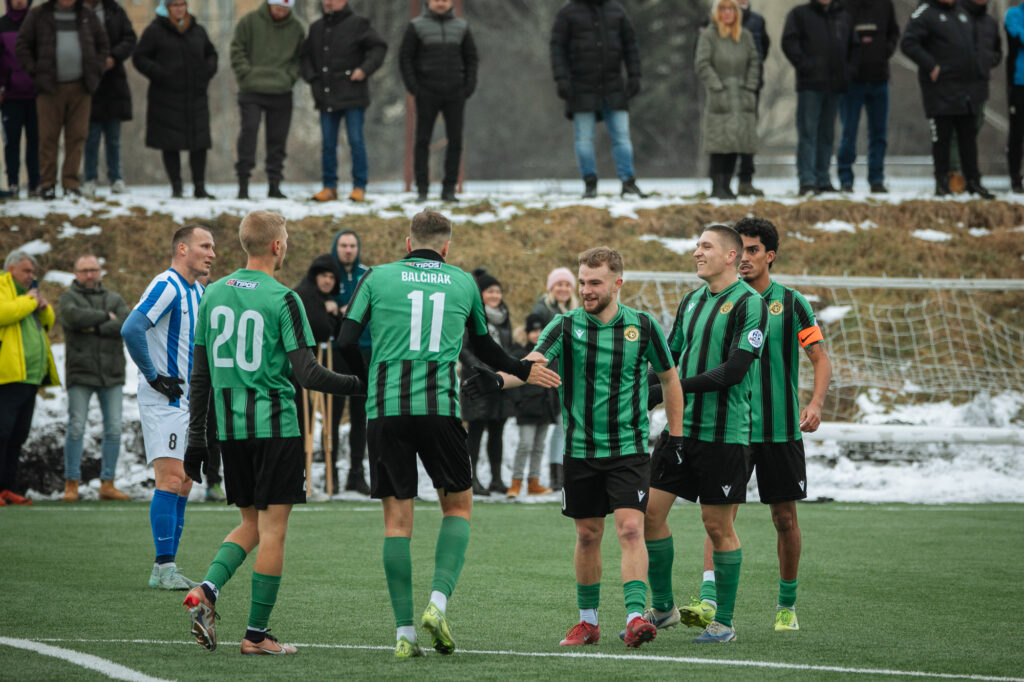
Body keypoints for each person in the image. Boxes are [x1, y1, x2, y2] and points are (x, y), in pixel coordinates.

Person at [336, 210, 560, 658]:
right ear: (446, 246)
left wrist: (367, 382)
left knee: (397, 523)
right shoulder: (462, 283)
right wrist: (523, 369)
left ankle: (404, 634)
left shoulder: (376, 277)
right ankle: (437, 604)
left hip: (386, 411)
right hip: (440, 409)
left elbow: (344, 342)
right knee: (457, 506)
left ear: (407, 242)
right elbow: (484, 346)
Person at [182, 210, 363, 656]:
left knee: (250, 524)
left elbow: (200, 375)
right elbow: (308, 372)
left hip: (230, 431)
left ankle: (206, 589)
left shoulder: (212, 294)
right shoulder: (285, 299)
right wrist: (359, 385)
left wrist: (197, 438)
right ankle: (257, 635)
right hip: (276, 428)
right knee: (274, 530)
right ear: (278, 246)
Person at [503, 247, 682, 649]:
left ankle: (636, 617)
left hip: (629, 450)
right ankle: (588, 623)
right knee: (587, 535)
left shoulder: (643, 326)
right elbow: (529, 363)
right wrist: (496, 380)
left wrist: (678, 433)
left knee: (632, 528)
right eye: (582, 281)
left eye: (594, 282)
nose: (586, 290)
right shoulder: (564, 326)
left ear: (617, 283)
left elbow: (671, 379)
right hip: (581, 451)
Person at [678, 217, 832, 634]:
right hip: (732, 427)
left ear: (769, 256)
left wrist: (815, 403)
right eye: (740, 249)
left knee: (784, 518)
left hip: (779, 429)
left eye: (752, 250)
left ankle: (786, 603)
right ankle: (709, 601)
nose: (744, 258)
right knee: (719, 516)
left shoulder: (791, 303)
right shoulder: (717, 300)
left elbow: (820, 357)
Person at [642, 224, 767, 644]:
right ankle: (663, 609)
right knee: (649, 515)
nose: (697, 252)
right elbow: (668, 360)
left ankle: (724, 623)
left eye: (706, 246)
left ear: (731, 255)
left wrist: (668, 390)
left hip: (725, 435)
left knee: (717, 525)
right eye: (696, 245)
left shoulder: (751, 304)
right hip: (679, 432)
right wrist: (643, 389)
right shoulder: (692, 301)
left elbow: (734, 372)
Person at [121, 225, 214, 590]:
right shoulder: (167, 285)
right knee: (172, 479)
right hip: (165, 399)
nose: (212, 253)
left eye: (212, 247)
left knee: (186, 480)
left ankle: (168, 567)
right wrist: (153, 375)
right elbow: (132, 328)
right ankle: (162, 567)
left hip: (189, 401)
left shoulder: (199, 291)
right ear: (182, 249)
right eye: (204, 246)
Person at [550, 0, 647, 199]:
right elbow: (557, 47)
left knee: (621, 135)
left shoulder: (617, 11)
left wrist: (635, 75)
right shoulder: (567, 13)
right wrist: (561, 79)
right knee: (584, 138)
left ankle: (628, 182)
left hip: (613, 86)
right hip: (580, 86)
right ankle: (590, 183)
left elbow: (630, 46)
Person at [15, 0, 108, 200]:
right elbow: (22, 45)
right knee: (48, 138)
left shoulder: (87, 15)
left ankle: (71, 183)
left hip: (81, 88)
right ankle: (47, 184)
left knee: (77, 136)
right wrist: (36, 71)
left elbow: (103, 44)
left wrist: (96, 70)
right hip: (49, 88)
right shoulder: (39, 14)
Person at [56, 254, 130, 502]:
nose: (90, 274)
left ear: (100, 272)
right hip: (81, 373)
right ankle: (71, 484)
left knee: (114, 429)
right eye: (85, 270)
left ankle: (107, 484)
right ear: (75, 273)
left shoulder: (114, 298)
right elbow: (72, 317)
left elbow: (125, 323)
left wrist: (93, 327)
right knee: (76, 427)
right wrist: (104, 317)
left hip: (112, 374)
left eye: (94, 270)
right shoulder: (68, 297)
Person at [901, 0, 993, 198]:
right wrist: (931, 65)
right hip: (940, 90)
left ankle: (973, 181)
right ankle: (942, 183)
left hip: (966, 90)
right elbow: (908, 43)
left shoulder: (961, 13)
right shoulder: (925, 13)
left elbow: (975, 47)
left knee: (968, 138)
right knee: (942, 139)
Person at [302, 0, 387, 203]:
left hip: (353, 95)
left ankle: (359, 187)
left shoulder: (358, 24)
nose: (328, 2)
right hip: (326, 96)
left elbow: (379, 48)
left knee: (356, 141)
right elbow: (305, 58)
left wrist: (364, 69)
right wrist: (313, 79)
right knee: (328, 144)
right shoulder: (316, 28)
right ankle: (329, 186)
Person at [132, 0, 217, 199]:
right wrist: (160, 74)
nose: (179, 9)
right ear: (166, 8)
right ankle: (176, 187)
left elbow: (211, 53)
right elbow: (140, 58)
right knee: (170, 143)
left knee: (199, 142)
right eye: (174, 5)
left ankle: (199, 186)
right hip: (166, 98)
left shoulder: (198, 31)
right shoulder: (154, 31)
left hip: (195, 96)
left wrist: (207, 71)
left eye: (182, 4)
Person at [399, 0, 478, 203]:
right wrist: (414, 88)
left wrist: (467, 87)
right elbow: (405, 58)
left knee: (456, 141)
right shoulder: (416, 26)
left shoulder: (462, 27)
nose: (440, 3)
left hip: (455, 93)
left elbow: (471, 58)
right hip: (426, 92)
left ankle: (449, 189)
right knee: (422, 140)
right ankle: (422, 189)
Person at [0, 249, 59, 506]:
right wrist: (30, 302)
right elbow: (3, 313)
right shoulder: (3, 286)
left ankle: (8, 488)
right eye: (26, 271)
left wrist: (43, 307)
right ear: (10, 268)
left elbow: (48, 322)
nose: (30, 276)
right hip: (7, 377)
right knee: (1, 433)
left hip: (30, 378)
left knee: (18, 434)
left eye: (33, 272)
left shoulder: (28, 295)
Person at [230, 0, 305, 200]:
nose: (280, 12)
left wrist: (289, 77)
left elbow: (300, 58)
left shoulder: (297, 28)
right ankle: (243, 184)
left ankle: (274, 184)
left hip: (282, 90)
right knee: (249, 133)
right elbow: (237, 50)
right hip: (251, 90)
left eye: (284, 9)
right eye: (277, 8)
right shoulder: (249, 22)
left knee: (277, 139)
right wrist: (246, 75)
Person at [781, 0, 854, 195]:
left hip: (835, 85)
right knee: (808, 133)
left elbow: (853, 48)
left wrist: (847, 71)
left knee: (827, 134)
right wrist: (806, 66)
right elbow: (789, 42)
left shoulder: (843, 16)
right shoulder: (799, 14)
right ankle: (807, 181)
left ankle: (823, 179)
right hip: (810, 85)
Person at [695, 0, 761, 200]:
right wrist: (716, 86)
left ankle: (728, 185)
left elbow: (754, 62)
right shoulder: (709, 36)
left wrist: (749, 86)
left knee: (736, 142)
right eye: (722, 9)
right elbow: (702, 64)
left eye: (731, 8)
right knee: (719, 142)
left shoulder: (745, 36)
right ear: (717, 12)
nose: (727, 13)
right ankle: (717, 185)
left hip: (742, 96)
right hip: (720, 94)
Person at [290, 252, 343, 492]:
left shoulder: (321, 297)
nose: (327, 281)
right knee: (303, 417)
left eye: (332, 277)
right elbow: (319, 328)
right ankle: (300, 474)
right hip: (298, 367)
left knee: (314, 417)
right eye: (323, 275)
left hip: (313, 364)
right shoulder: (306, 295)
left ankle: (323, 477)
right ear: (315, 276)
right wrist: (329, 311)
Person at [836, 0, 899, 194]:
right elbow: (838, 37)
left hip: (879, 79)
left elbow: (893, 33)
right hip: (852, 82)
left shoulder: (885, 4)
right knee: (849, 132)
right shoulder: (843, 5)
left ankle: (876, 179)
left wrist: (883, 52)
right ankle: (846, 179)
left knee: (879, 134)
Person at [459, 268, 512, 496]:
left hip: (499, 381)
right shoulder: (471, 313)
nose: (495, 296)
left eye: (498, 291)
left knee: (497, 431)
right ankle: (472, 478)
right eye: (490, 291)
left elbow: (506, 348)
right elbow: (462, 348)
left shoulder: (504, 316)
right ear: (481, 294)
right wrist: (480, 370)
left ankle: (497, 478)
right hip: (477, 381)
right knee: (476, 431)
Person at [80, 0, 135, 199]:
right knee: (90, 136)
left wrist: (114, 57)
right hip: (87, 82)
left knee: (113, 137)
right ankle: (90, 179)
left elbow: (130, 38)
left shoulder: (115, 10)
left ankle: (116, 178)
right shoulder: (77, 11)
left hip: (114, 83)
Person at [530, 266, 577, 492]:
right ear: (551, 287)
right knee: (555, 428)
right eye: (559, 284)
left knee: (564, 427)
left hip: (570, 377)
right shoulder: (542, 310)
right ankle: (552, 475)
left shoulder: (575, 310)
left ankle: (561, 473)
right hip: (549, 377)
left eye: (567, 284)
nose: (563, 288)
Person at [330, 229, 370, 494]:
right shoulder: (327, 273)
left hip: (364, 350)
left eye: (352, 245)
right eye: (343, 245)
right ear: (336, 247)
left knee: (361, 414)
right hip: (334, 351)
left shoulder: (366, 275)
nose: (348, 250)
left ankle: (357, 472)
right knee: (333, 412)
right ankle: (331, 471)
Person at [948, 0, 1001, 192]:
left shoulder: (989, 21)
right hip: (956, 83)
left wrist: (987, 62)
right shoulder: (957, 16)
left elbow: (997, 51)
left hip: (980, 84)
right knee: (954, 131)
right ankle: (953, 174)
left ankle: (971, 177)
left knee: (973, 129)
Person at [505, 313, 557, 498]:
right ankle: (515, 482)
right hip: (527, 409)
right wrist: (519, 401)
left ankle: (534, 482)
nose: (537, 334)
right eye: (533, 330)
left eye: (540, 330)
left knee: (539, 446)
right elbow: (510, 378)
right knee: (525, 444)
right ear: (526, 332)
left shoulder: (550, 354)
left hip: (545, 408)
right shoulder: (519, 353)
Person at [0, 0, 40, 198]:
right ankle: (13, 183)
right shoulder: (2, 26)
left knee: (36, 142)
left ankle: (35, 184)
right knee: (12, 143)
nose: (19, 1)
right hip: (10, 96)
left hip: (37, 96)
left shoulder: (37, 25)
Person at [733, 0, 769, 196]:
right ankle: (721, 182)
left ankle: (745, 181)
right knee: (726, 136)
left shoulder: (757, 21)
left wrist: (753, 79)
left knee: (748, 135)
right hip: (724, 89)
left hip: (751, 87)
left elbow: (762, 51)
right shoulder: (716, 19)